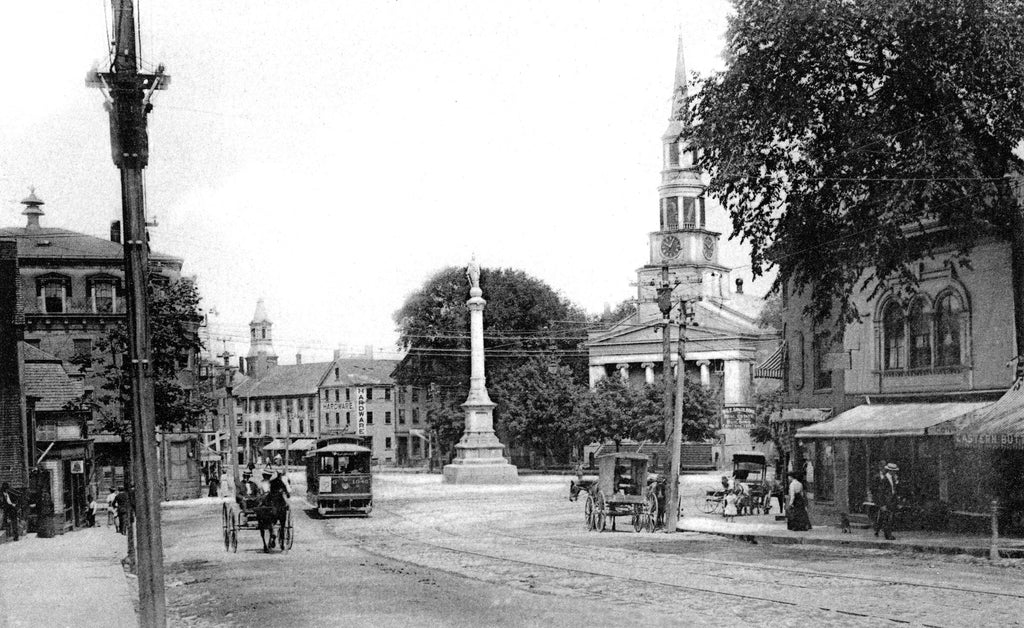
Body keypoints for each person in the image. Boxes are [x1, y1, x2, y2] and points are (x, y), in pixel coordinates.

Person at [877, 462, 900, 540]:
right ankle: (887, 535)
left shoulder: (893, 479)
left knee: (890, 518)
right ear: (890, 471)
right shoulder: (884, 480)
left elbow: (894, 490)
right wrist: (882, 504)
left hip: (892, 501)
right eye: (894, 471)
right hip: (886, 502)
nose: (895, 472)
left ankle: (889, 534)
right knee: (887, 519)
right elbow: (881, 493)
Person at [870, 460, 889, 537]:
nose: (885, 469)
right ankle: (879, 529)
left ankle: (878, 530)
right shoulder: (876, 477)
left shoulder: (887, 476)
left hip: (885, 498)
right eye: (883, 467)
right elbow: (873, 489)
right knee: (881, 514)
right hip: (879, 499)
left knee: (882, 514)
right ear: (880, 467)